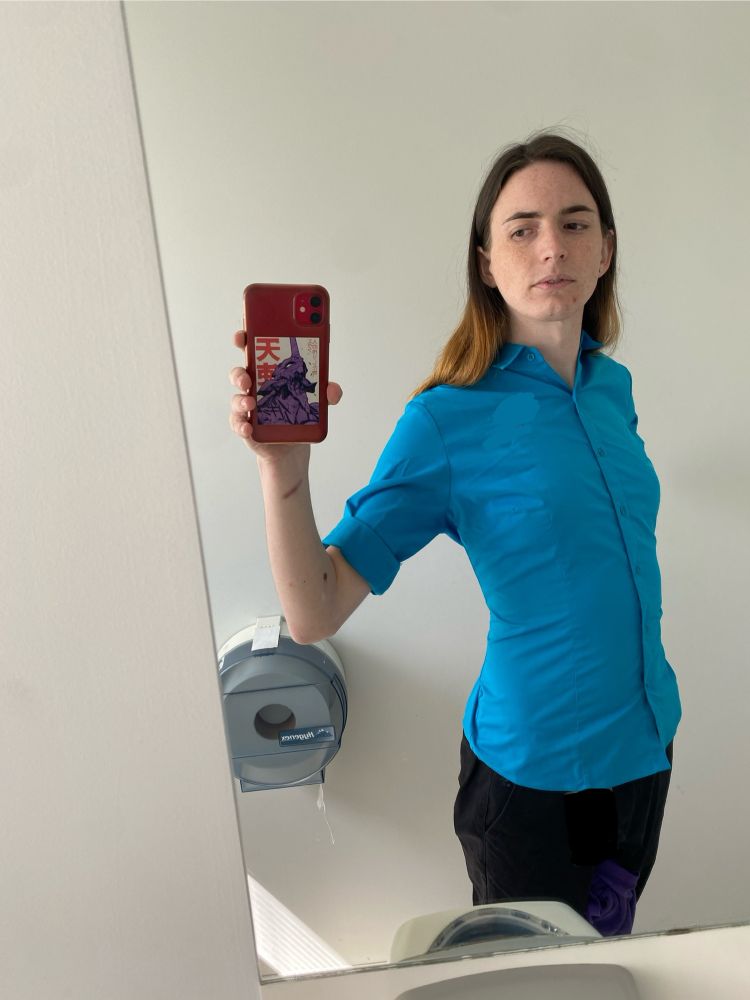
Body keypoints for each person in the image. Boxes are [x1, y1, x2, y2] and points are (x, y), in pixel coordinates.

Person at [228, 129, 681, 937]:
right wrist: (282, 470)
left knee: (612, 954)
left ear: (606, 249)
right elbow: (316, 611)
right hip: (536, 785)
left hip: (645, 750)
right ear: (486, 261)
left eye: (576, 224)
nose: (553, 246)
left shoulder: (613, 391)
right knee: (532, 988)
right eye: (523, 228)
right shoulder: (446, 418)